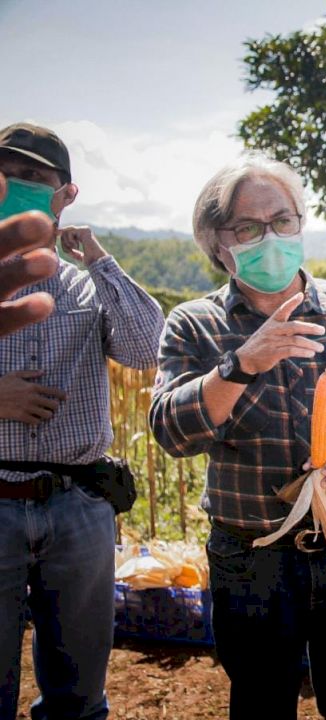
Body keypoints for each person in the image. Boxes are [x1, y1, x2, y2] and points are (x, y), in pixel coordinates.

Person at [149, 153, 326, 720]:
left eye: (282, 220)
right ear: (217, 243)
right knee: (261, 700)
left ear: (301, 222)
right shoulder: (195, 325)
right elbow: (172, 431)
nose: (269, 237)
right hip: (252, 555)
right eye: (247, 228)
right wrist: (240, 365)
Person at [0, 123, 164, 720]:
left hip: (79, 504)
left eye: (35, 178)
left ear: (66, 195)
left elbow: (147, 350)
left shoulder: (85, 285)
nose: (16, 186)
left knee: (79, 695)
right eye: (6, 176)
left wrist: (98, 259)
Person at [0, 172, 59, 336]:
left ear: (67, 194)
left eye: (32, 175)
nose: (12, 186)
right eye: (3, 173)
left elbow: (135, 350)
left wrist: (98, 259)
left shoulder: (88, 287)